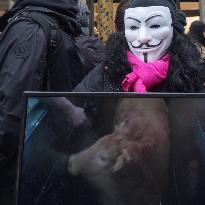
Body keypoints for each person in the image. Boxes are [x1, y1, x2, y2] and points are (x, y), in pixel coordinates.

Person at [0, 0, 89, 204]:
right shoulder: (55, 24)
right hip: (41, 164)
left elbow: (10, 111)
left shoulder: (29, 28)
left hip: (18, 171)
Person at [74, 0, 205, 93]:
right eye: (134, 27)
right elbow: (75, 113)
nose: (143, 38)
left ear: (173, 29)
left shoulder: (190, 74)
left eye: (154, 25)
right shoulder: (109, 71)